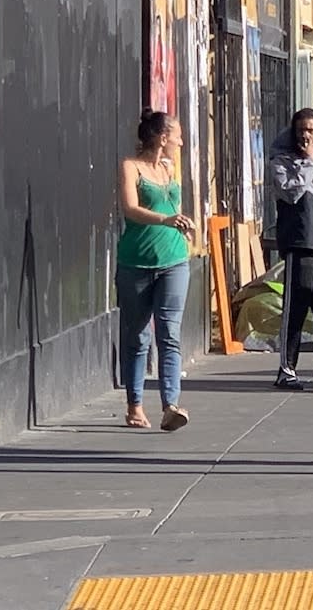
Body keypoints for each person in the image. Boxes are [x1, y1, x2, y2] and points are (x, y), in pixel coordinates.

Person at [116, 109, 195, 431]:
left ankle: (170, 405)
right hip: (136, 262)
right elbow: (130, 209)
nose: (180, 140)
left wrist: (183, 223)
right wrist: (164, 220)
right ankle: (135, 405)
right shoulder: (130, 167)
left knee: (169, 333)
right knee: (137, 335)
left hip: (175, 259)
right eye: (176, 135)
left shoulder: (169, 168)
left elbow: (172, 207)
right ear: (163, 137)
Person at [270, 108, 313, 389]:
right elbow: (292, 193)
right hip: (301, 243)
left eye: (310, 130)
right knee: (295, 310)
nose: (305, 135)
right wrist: (308, 162)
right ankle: (287, 369)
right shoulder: (283, 162)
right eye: (300, 130)